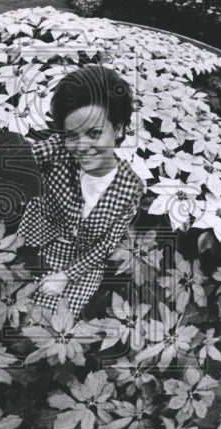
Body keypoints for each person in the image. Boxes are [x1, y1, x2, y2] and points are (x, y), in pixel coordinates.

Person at [17, 64, 145, 319]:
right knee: (17, 308)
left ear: (118, 129)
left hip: (83, 262)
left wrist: (66, 276)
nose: (81, 146)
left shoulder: (131, 188)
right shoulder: (56, 151)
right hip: (34, 245)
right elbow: (15, 160)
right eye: (71, 135)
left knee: (56, 322)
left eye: (95, 133)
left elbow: (106, 243)